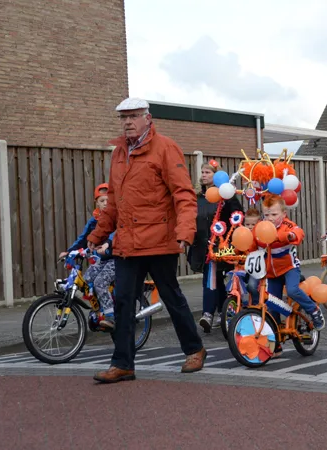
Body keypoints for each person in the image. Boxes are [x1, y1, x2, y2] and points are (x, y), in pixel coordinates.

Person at [88, 98, 204, 383]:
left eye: (133, 116)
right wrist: (97, 234)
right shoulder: (118, 153)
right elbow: (113, 200)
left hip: (159, 240)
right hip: (127, 242)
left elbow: (184, 194)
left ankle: (195, 349)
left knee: (172, 296)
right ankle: (123, 363)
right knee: (124, 302)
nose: (127, 122)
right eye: (123, 117)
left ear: (148, 118)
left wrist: (185, 232)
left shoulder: (165, 147)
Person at [188, 159, 244, 333]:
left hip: (220, 245)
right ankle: (222, 311)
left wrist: (229, 200)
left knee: (211, 277)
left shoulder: (225, 196)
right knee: (216, 279)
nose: (204, 175)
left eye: (208, 172)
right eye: (203, 172)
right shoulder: (197, 197)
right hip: (201, 245)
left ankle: (207, 314)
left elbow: (237, 215)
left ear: (216, 175)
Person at [261, 194, 325, 330]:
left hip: (289, 268)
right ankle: (276, 339)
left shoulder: (287, 225)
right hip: (271, 272)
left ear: (284, 214)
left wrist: (290, 236)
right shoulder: (262, 227)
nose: (270, 218)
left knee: (292, 290)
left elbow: (298, 232)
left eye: (274, 214)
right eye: (267, 215)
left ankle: (314, 310)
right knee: (272, 304)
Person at [59, 185, 117, 329]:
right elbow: (84, 238)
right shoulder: (93, 221)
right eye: (102, 200)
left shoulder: (116, 217)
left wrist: (108, 245)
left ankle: (111, 315)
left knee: (100, 282)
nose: (105, 203)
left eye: (108, 200)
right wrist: (70, 251)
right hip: (101, 260)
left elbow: (115, 234)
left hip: (116, 258)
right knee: (87, 280)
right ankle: (98, 311)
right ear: (96, 202)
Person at [243, 208, 262, 306]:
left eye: (253, 225)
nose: (250, 227)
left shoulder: (261, 236)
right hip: (243, 266)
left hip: (256, 268)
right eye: (247, 224)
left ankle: (256, 303)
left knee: (251, 286)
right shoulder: (241, 235)